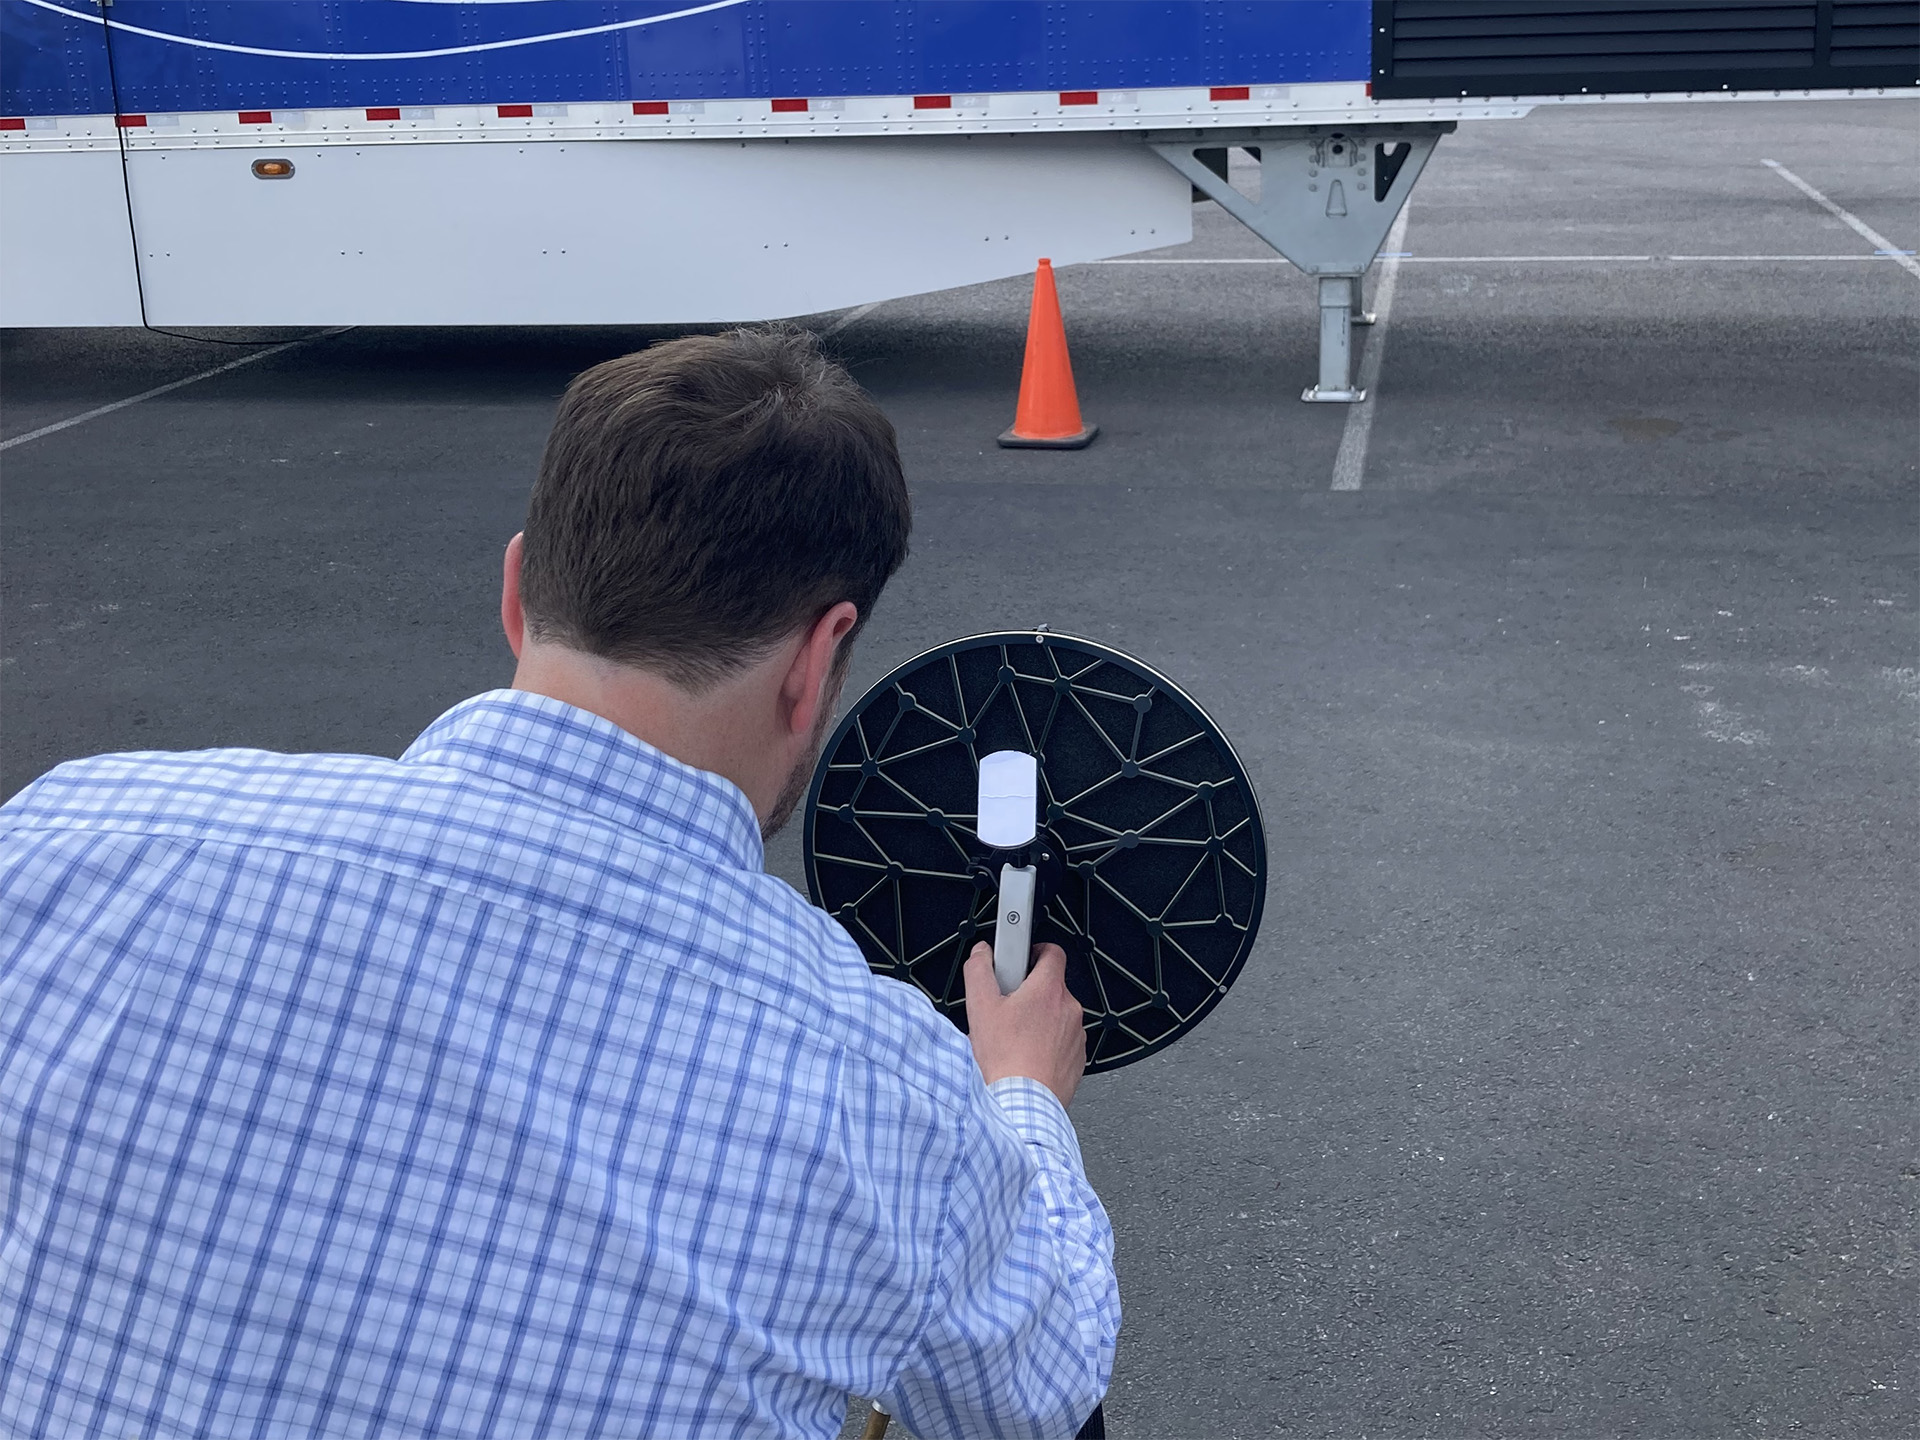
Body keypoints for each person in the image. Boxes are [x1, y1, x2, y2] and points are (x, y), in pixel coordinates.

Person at [0, 328, 1118, 1439]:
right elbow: (1037, 1388)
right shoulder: (881, 1086)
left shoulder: (71, 838)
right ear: (818, 660)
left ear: (518, 587)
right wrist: (1020, 1096)